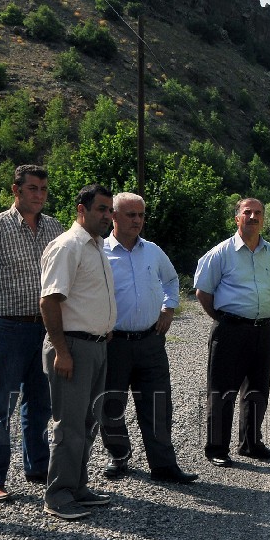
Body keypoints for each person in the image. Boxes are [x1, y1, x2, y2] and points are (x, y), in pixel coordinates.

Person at [0, 164, 64, 502]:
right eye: (32, 188)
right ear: (16, 190)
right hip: (8, 329)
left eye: (43, 189)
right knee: (0, 406)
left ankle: (38, 467)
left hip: (46, 328)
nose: (39, 195)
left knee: (41, 405)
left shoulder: (55, 227)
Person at [100, 192, 198, 484]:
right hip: (112, 343)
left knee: (158, 404)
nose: (137, 220)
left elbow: (170, 279)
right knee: (110, 404)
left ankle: (164, 466)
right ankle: (118, 456)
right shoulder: (99, 251)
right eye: (131, 215)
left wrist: (169, 308)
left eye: (141, 215)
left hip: (150, 341)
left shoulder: (153, 251)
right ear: (113, 217)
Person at [194, 197, 270, 467]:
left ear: (263, 218)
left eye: (258, 213)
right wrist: (224, 320)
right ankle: (217, 448)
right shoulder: (221, 253)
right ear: (236, 218)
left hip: (263, 330)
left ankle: (251, 443)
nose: (253, 217)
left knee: (258, 389)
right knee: (221, 390)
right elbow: (203, 292)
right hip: (231, 330)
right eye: (247, 212)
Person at [39, 185, 117, 520]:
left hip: (95, 347)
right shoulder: (68, 246)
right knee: (68, 425)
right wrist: (61, 350)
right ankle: (57, 495)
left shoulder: (96, 246)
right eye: (101, 209)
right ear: (81, 210)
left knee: (87, 422)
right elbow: (49, 300)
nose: (107, 216)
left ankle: (77, 486)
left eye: (109, 210)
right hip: (72, 347)